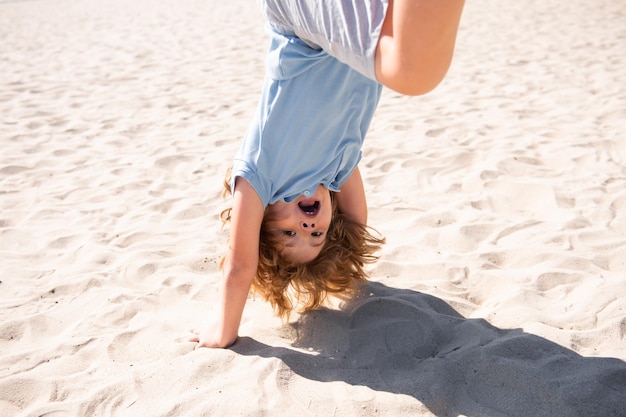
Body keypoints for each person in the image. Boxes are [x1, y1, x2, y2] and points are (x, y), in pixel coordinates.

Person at [191, 0, 465, 349]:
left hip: (301, 27)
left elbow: (241, 265)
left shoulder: (261, 175)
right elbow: (356, 221)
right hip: (343, 35)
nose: (306, 227)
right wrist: (347, 269)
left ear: (262, 219)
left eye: (288, 232)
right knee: (402, 44)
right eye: (317, 234)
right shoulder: (338, 165)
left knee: (412, 70)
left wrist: (224, 329)